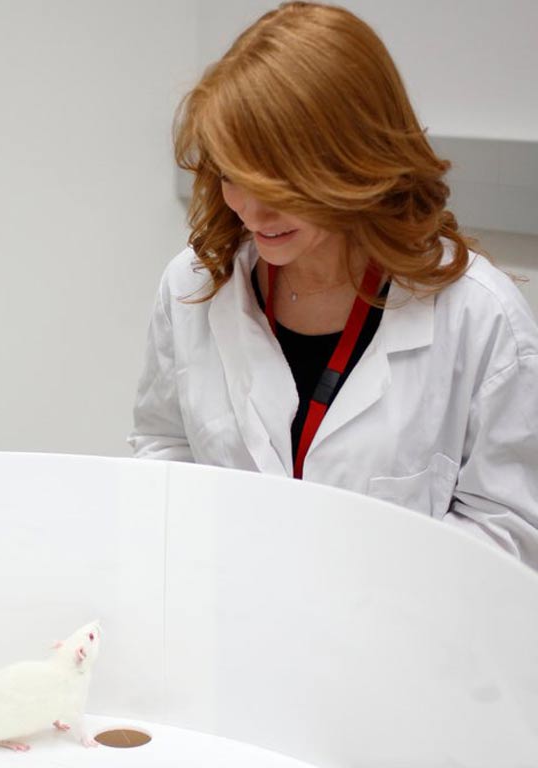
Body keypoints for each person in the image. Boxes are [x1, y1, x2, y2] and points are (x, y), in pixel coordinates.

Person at [128, 1, 538, 567]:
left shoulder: (480, 317)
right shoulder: (193, 286)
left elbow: (510, 535)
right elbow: (164, 449)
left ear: (356, 160)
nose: (251, 209)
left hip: (400, 640)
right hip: (229, 621)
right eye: (232, 175)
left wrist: (353, 584)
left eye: (282, 180)